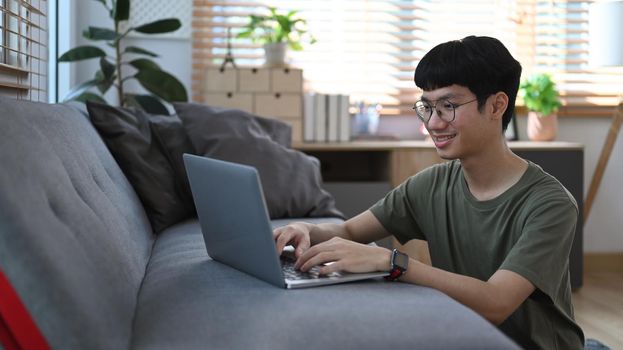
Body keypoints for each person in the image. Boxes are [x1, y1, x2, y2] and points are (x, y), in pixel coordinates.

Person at [273, 36, 585, 349]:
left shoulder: (551, 204)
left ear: (496, 105)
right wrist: (305, 229)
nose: (433, 123)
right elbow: (349, 229)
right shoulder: (431, 184)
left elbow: (496, 302)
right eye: (427, 107)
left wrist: (392, 262)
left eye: (448, 106)